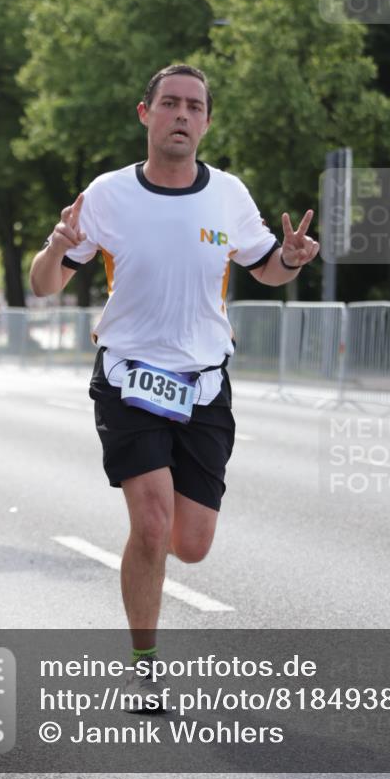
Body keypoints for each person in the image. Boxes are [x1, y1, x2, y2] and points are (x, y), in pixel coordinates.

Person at [29, 65, 319, 708]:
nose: (182, 115)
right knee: (153, 524)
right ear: (145, 114)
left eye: (194, 106)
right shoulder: (105, 196)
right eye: (170, 104)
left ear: (207, 121)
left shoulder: (229, 195)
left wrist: (291, 260)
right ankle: (144, 665)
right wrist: (55, 247)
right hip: (129, 377)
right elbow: (45, 284)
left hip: (205, 384)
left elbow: (265, 268)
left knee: (191, 545)